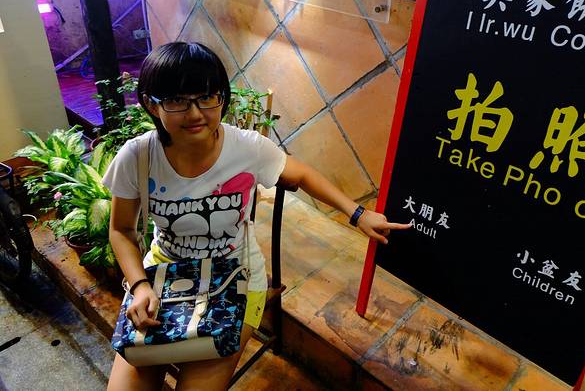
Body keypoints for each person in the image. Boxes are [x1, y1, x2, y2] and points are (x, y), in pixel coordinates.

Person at [102, 42, 409, 391]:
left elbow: (301, 174)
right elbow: (121, 230)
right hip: (164, 276)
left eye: (207, 97)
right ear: (151, 104)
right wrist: (139, 285)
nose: (195, 113)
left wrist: (358, 214)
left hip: (235, 277)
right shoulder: (138, 156)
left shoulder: (247, 148)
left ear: (222, 97)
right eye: (177, 101)